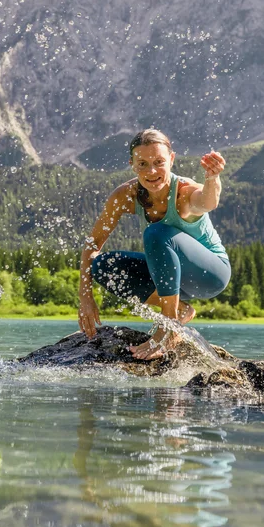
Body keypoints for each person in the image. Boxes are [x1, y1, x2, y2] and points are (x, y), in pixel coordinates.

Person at [77, 128, 231, 359]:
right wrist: (85, 297)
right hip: (171, 276)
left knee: (156, 233)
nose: (152, 171)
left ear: (171, 159)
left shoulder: (184, 192)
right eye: (143, 164)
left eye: (159, 162)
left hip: (210, 274)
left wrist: (212, 177)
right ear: (132, 164)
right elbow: (93, 243)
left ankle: (169, 328)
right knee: (103, 265)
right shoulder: (125, 196)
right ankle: (180, 310)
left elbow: (208, 201)